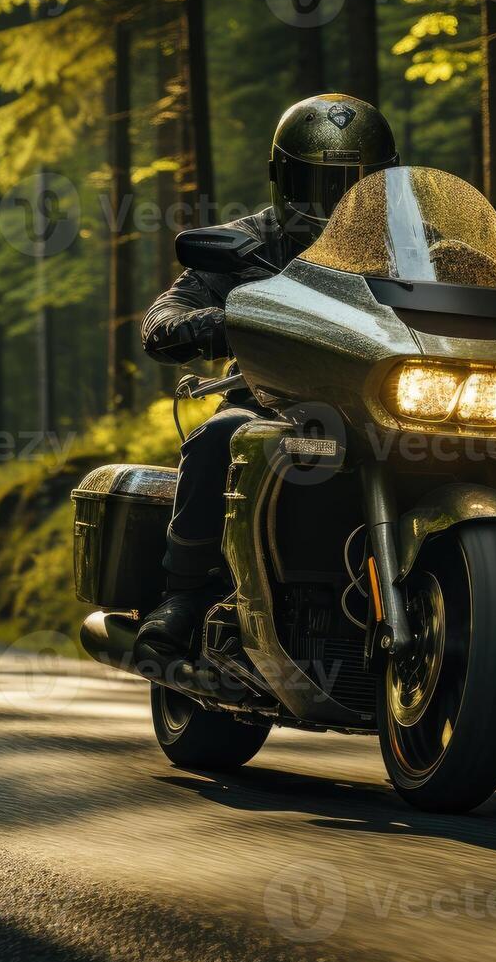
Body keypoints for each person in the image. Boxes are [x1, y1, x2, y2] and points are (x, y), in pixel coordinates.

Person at [135, 93, 400, 665]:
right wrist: (217, 323)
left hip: (392, 405)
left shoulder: (415, 249)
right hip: (274, 401)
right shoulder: (246, 242)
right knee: (219, 438)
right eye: (321, 181)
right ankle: (184, 595)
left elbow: (478, 280)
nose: (339, 198)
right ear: (284, 177)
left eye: (358, 183)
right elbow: (162, 320)